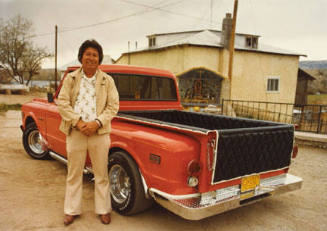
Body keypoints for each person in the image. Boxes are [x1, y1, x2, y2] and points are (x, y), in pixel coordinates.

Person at [57, 39, 119, 226]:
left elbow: (113, 106)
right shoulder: (71, 78)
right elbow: (62, 102)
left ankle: (103, 210)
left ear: (99, 59)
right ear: (81, 57)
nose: (91, 58)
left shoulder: (107, 80)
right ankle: (71, 210)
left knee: (101, 173)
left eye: (94, 54)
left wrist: (97, 123)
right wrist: (78, 122)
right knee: (74, 172)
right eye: (88, 54)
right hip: (76, 131)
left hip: (99, 133)